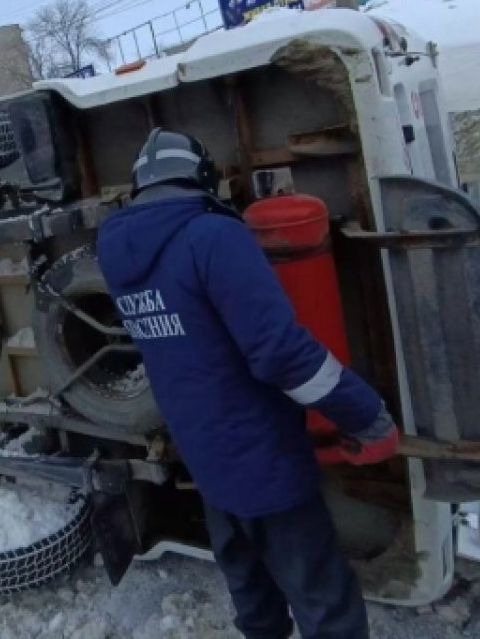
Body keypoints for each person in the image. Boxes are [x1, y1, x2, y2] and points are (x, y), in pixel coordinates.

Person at [97, 129, 399, 639]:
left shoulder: (112, 249)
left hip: (208, 459)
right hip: (267, 459)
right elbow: (280, 353)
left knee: (252, 596)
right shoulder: (212, 236)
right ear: (202, 177)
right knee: (326, 603)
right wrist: (364, 414)